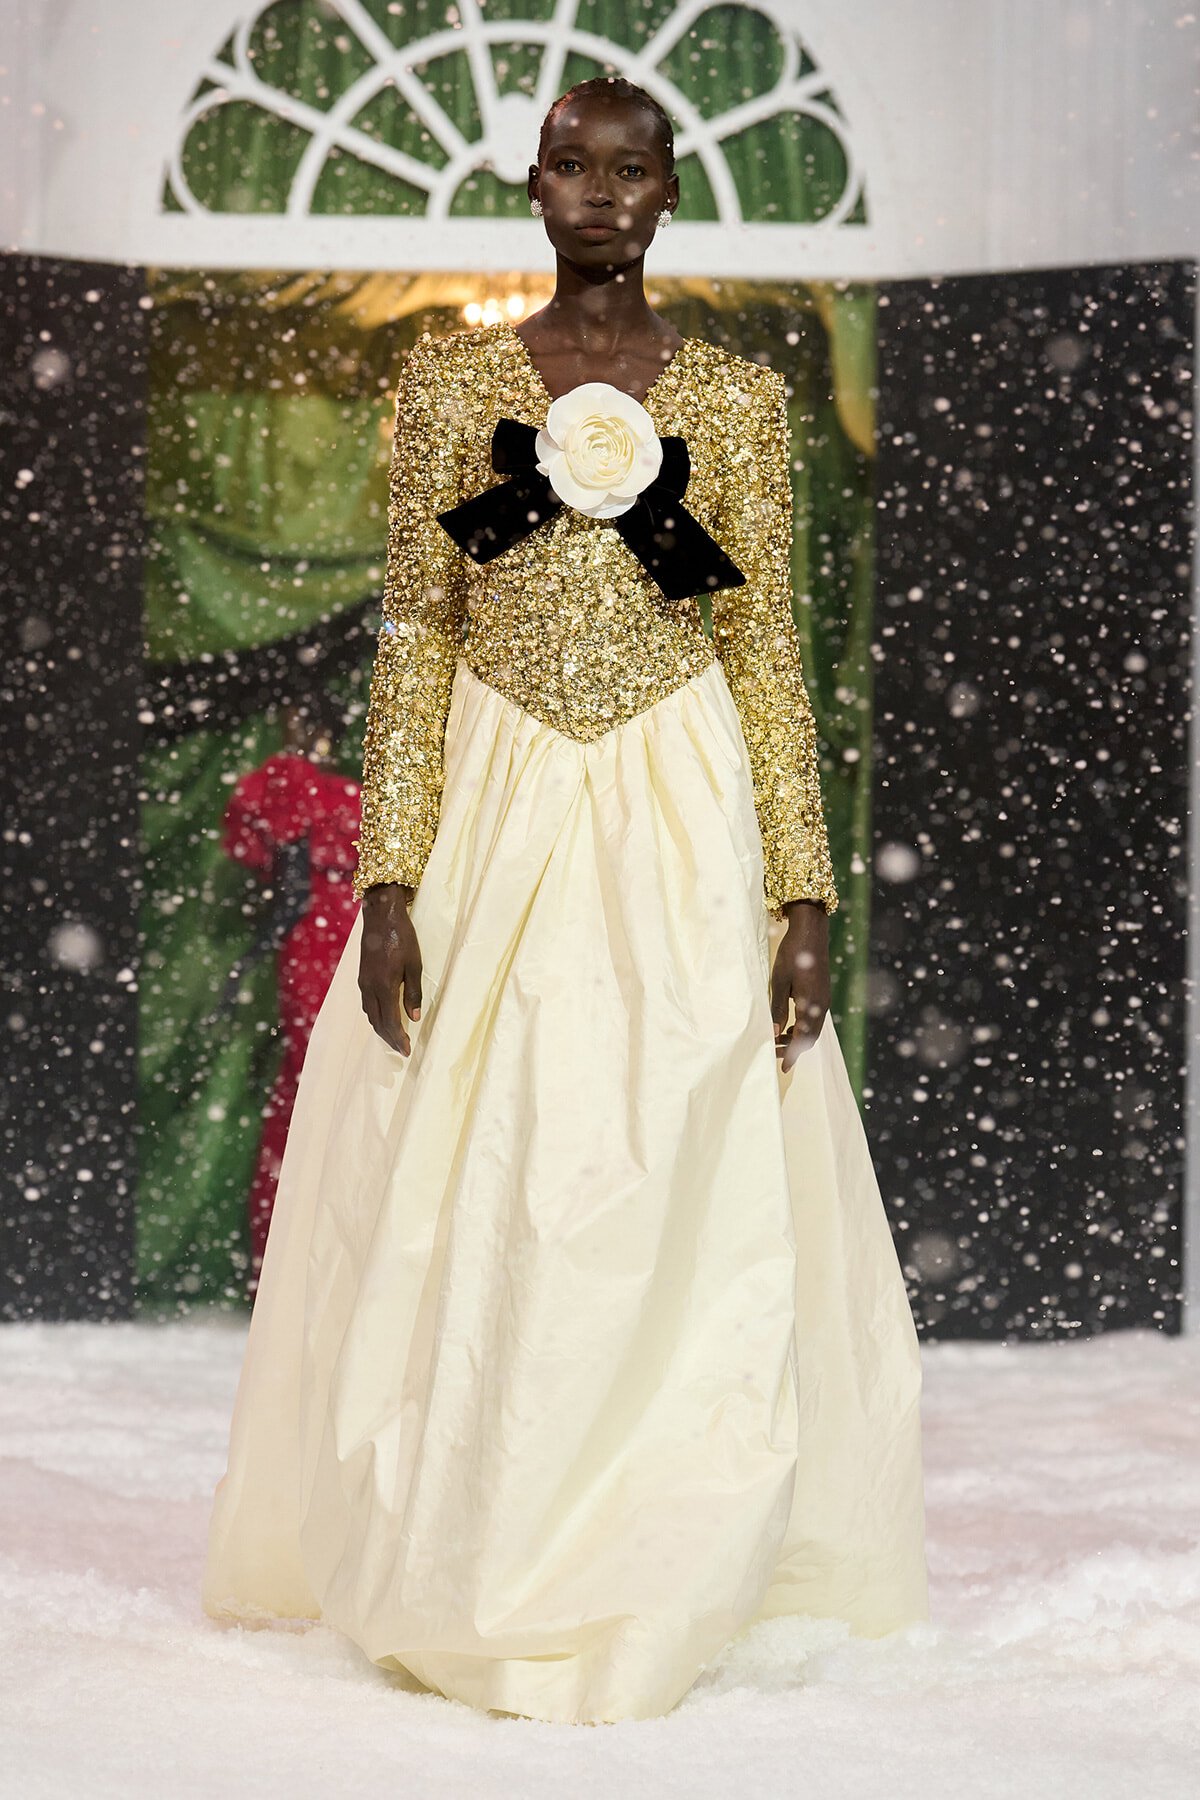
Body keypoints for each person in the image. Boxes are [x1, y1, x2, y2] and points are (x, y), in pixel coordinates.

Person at [203, 78, 927, 1725]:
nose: (600, 191)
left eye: (631, 167)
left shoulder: (733, 399)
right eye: (570, 164)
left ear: (669, 192)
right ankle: (481, 1523)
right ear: (533, 187)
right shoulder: (453, 382)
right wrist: (392, 871)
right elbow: (420, 630)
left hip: (678, 806)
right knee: (488, 1168)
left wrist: (802, 891)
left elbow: (758, 645)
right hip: (497, 797)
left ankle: (659, 1542)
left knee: (672, 1161)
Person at [220, 702, 361, 1287]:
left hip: (340, 934)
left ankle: (306, 1261)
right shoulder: (313, 790)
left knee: (325, 1086)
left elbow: (269, 859)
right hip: (330, 934)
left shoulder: (311, 788)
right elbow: (260, 851)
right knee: (321, 1083)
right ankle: (302, 1262)